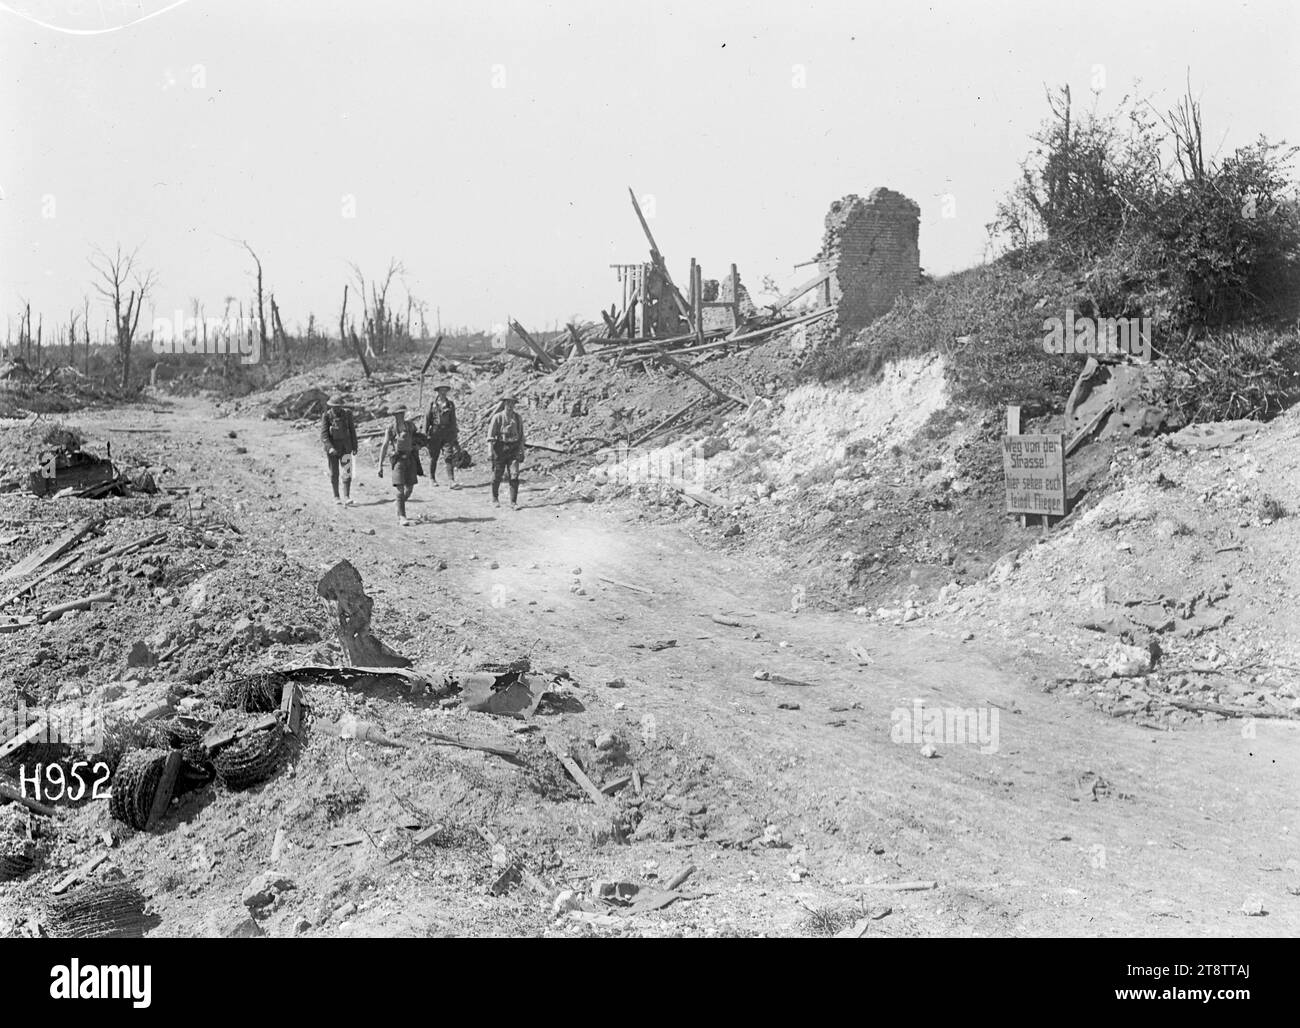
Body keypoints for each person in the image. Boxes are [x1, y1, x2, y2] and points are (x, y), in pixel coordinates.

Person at [377, 404, 424, 526]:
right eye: (397, 414)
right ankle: (402, 516)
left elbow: (418, 437)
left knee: (409, 489)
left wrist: (419, 445)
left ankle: (399, 503)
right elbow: (385, 445)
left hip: (410, 459)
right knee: (400, 489)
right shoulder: (391, 428)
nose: (400, 416)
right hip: (398, 460)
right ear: (394, 415)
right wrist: (380, 465)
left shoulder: (410, 426)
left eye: (402, 413)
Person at [486, 393, 525, 509]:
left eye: (512, 403)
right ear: (504, 403)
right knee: (497, 475)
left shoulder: (518, 418)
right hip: (500, 448)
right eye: (508, 403)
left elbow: (521, 436)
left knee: (514, 475)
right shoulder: (497, 417)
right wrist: (490, 451)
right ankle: (495, 498)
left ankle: (513, 502)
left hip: (514, 448)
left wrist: (522, 450)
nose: (510, 405)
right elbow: (490, 436)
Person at [319, 394, 358, 505]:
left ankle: (347, 496)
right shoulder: (326, 416)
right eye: (334, 406)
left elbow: (352, 431)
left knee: (347, 471)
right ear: (330, 406)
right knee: (334, 473)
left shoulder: (347, 414)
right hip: (333, 450)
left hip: (346, 448)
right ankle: (336, 496)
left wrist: (354, 446)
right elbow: (324, 435)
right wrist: (330, 448)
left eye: (338, 406)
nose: (336, 408)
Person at [423, 382, 460, 489]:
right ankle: (432, 478)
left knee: (449, 456)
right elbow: (427, 419)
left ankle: (451, 480)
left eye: (445, 390)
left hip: (447, 433)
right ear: (438, 391)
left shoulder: (450, 404)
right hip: (435, 433)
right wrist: (424, 435)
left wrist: (454, 435)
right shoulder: (432, 404)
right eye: (441, 390)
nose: (443, 393)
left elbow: (453, 421)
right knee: (434, 456)